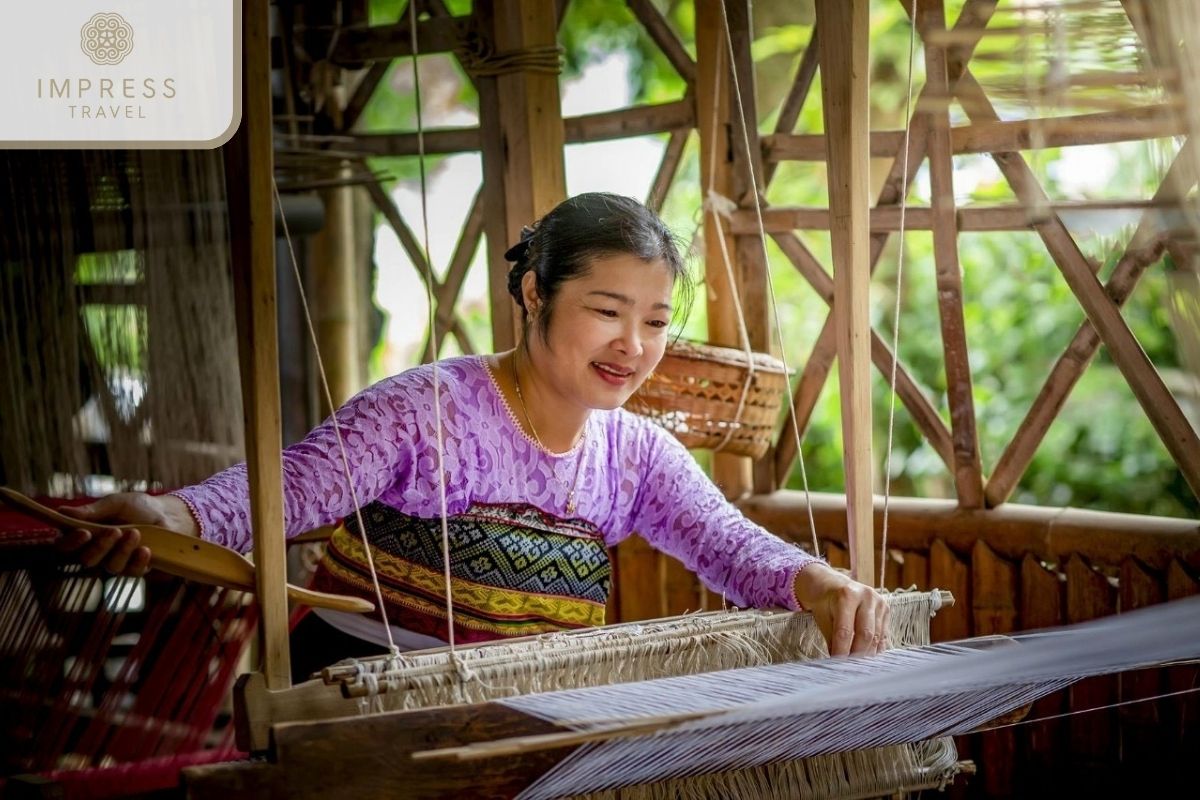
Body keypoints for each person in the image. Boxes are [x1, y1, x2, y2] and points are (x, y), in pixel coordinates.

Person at [58, 192, 889, 666]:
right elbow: (294, 485)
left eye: (656, 321)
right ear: (534, 295)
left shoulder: (632, 454)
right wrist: (178, 515)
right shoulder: (430, 409)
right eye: (606, 311)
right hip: (362, 695)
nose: (633, 346)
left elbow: (729, 546)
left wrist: (817, 583)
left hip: (527, 712)